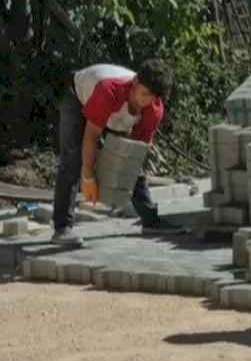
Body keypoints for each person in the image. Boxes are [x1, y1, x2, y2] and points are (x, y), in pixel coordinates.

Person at [52, 59, 181, 246]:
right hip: (78, 97)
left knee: (129, 156)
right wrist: (88, 177)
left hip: (115, 113)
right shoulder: (109, 91)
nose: (145, 101)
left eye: (152, 98)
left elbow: (135, 153)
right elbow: (91, 136)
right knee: (72, 160)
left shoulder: (153, 110)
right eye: (144, 94)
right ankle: (62, 228)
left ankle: (150, 220)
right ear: (135, 82)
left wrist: (119, 184)